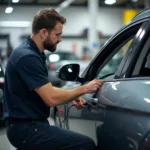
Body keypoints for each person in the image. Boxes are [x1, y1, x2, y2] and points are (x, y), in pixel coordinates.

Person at [3, 8, 103, 150]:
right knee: (85, 145)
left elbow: (45, 89)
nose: (60, 39)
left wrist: (71, 96)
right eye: (58, 34)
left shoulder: (33, 53)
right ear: (44, 33)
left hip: (28, 127)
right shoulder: (28, 57)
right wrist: (84, 88)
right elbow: (51, 98)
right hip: (27, 129)